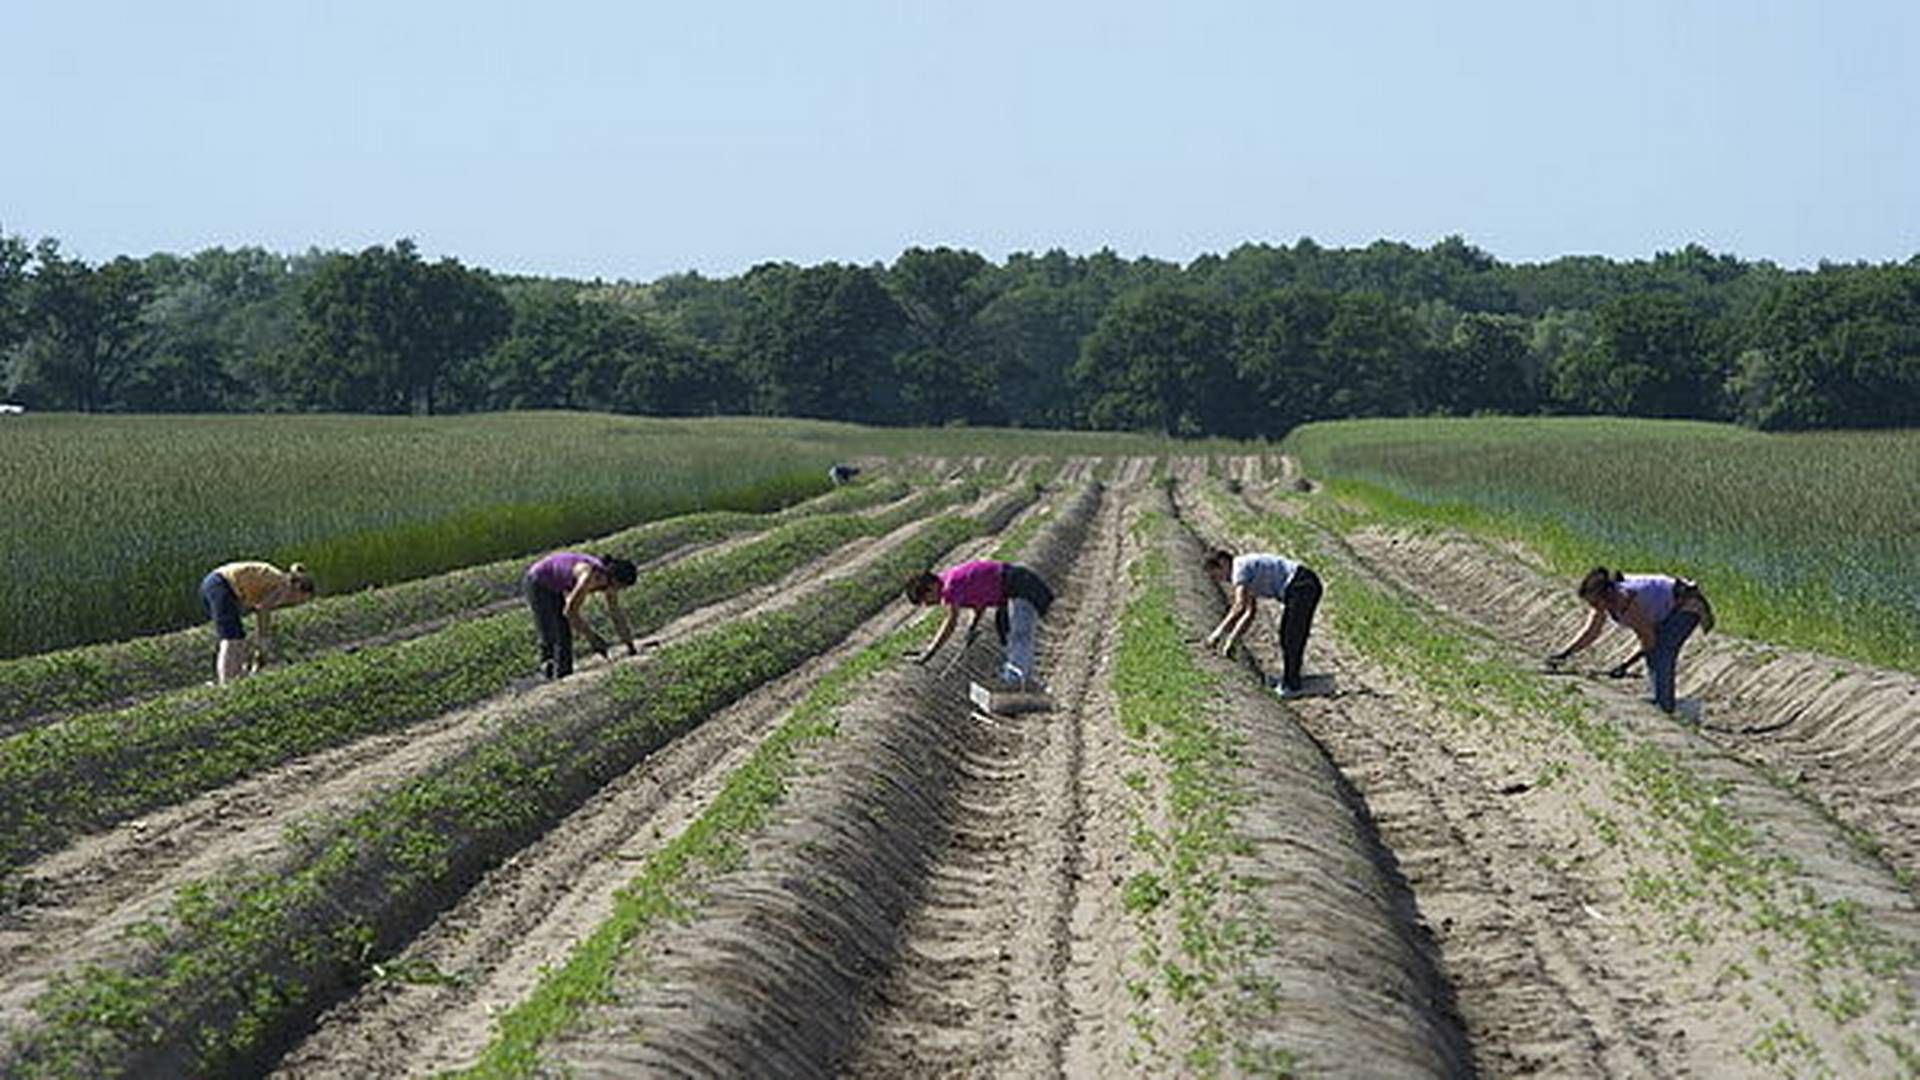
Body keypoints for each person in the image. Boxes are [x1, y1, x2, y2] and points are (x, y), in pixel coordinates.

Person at [1549, 567, 1713, 714]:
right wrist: (1565, 654)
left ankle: (1666, 707)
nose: (1593, 607)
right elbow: (1591, 632)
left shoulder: (1626, 602)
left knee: (1661, 651)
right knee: (1655, 653)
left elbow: (1649, 640)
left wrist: (1625, 665)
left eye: (1594, 602)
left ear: (1605, 596)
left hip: (1688, 605)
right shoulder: (1607, 600)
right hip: (1670, 607)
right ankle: (1662, 699)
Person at [906, 558, 1055, 688]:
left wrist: (930, 652)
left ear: (931, 588)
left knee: (1019, 635)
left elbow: (951, 623)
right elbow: (979, 605)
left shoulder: (950, 586)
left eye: (926, 600)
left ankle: (1016, 683)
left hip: (1020, 586)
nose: (929, 605)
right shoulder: (949, 581)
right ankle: (1019, 679)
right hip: (1009, 590)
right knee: (1004, 631)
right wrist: (972, 628)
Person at [1202, 548, 1323, 697]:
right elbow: (1249, 612)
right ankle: (1289, 679)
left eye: (1217, 575)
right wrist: (1231, 640)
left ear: (1223, 563)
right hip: (1300, 586)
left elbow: (1238, 606)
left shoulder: (1240, 569)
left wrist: (1217, 633)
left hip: (1302, 584)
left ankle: (1291, 685)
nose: (1220, 580)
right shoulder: (1244, 573)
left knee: (1291, 636)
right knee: (1289, 635)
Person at [523, 552, 639, 679]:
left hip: (555, 585)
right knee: (552, 633)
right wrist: (593, 638)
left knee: (564, 633)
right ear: (615, 580)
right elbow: (570, 612)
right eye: (620, 587)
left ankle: (563, 674)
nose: (618, 591)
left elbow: (616, 614)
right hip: (537, 581)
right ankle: (548, 673)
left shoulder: (607, 581)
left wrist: (630, 646)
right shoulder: (587, 576)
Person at [199, 560, 317, 685]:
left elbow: (260, 607)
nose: (296, 603)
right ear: (298, 589)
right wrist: (263, 640)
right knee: (231, 638)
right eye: (301, 599)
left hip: (222, 587)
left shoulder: (279, 581)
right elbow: (263, 610)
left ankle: (235, 677)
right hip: (220, 585)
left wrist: (260, 643)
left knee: (238, 637)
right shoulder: (283, 585)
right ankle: (226, 683)